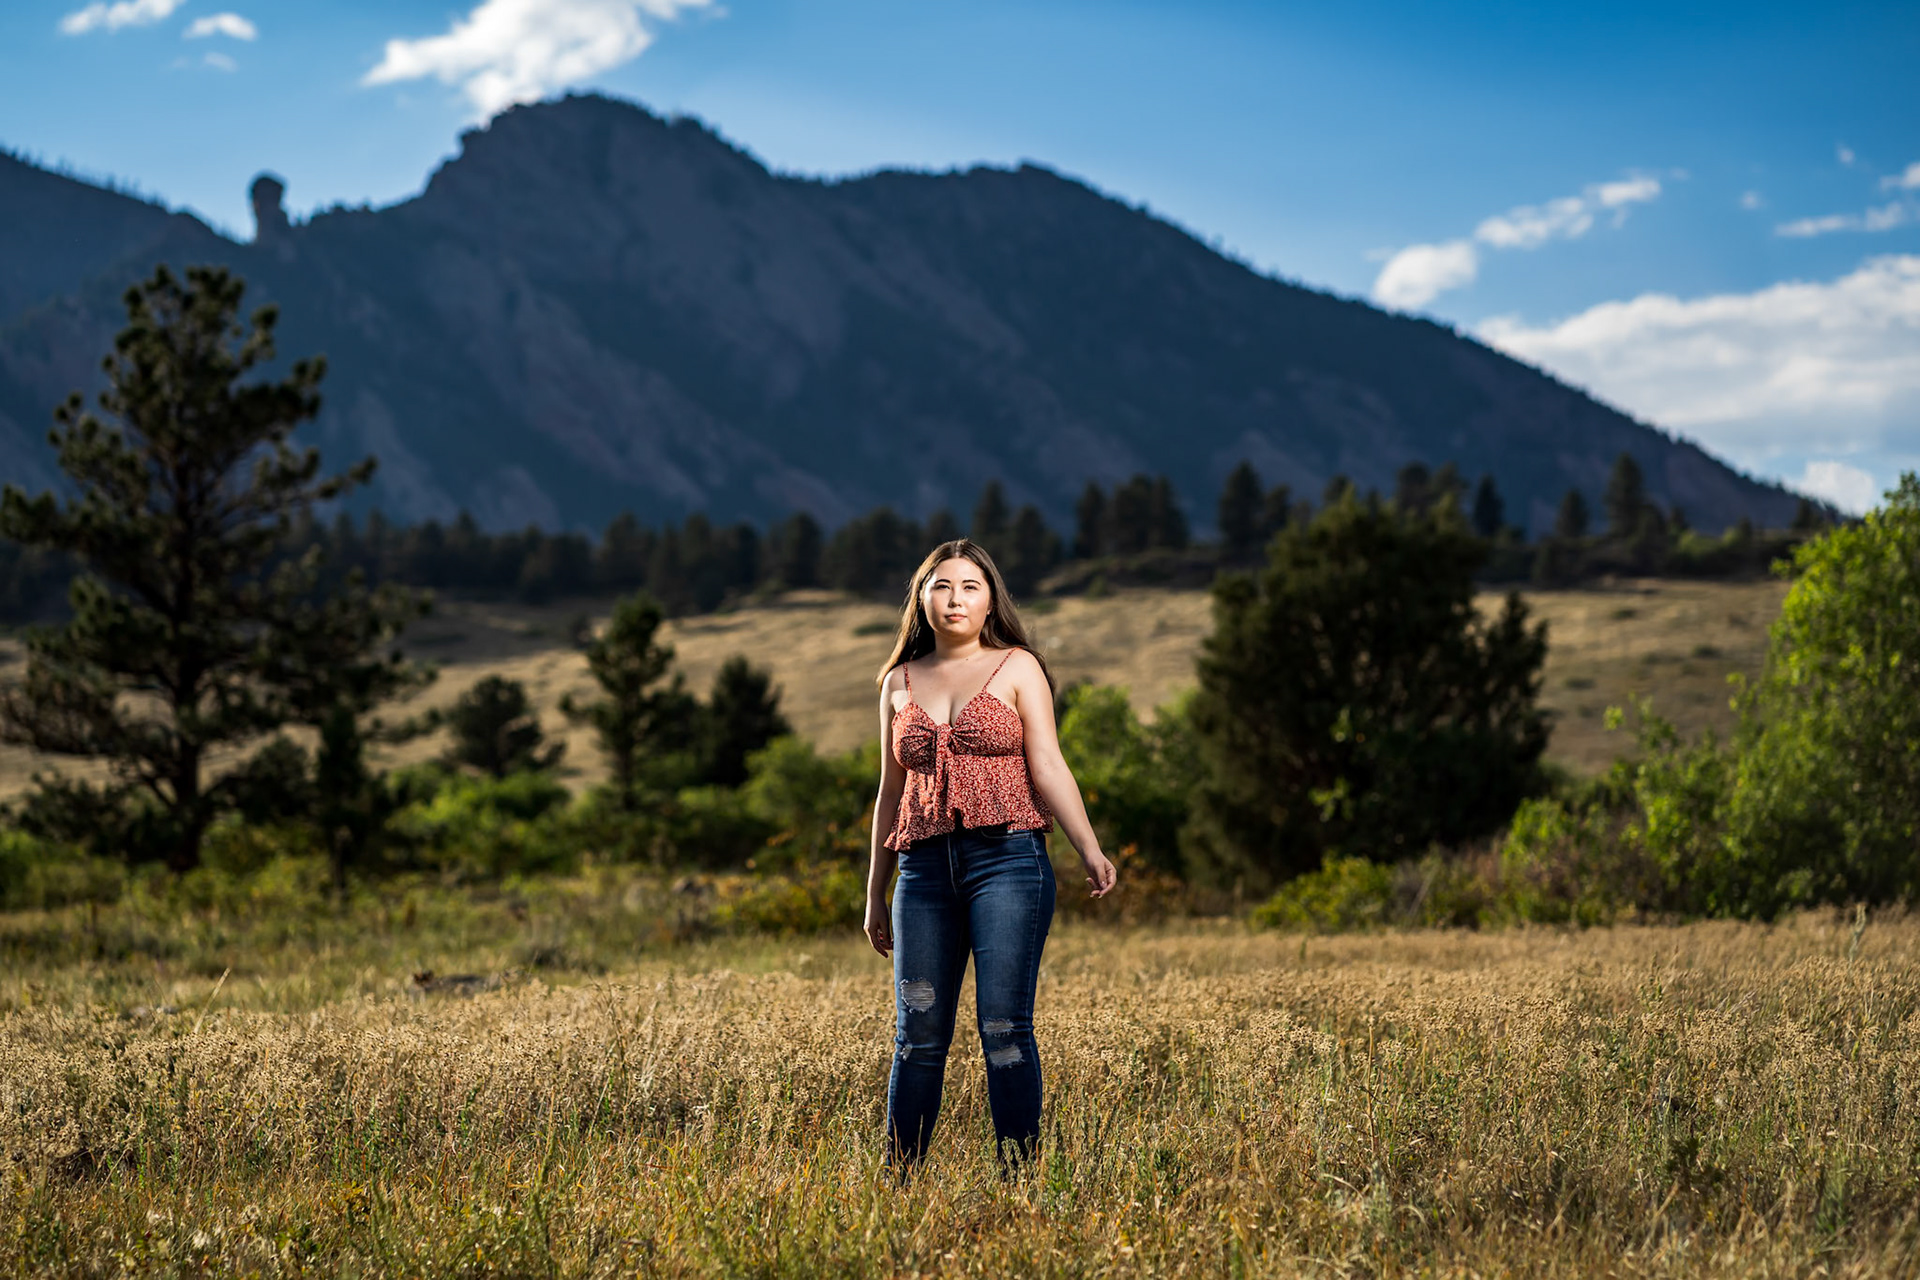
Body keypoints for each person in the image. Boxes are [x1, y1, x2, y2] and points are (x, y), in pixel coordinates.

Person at [864, 537, 1117, 1175]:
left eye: (970, 587)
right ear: (922, 599)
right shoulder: (897, 682)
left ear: (990, 601)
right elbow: (889, 793)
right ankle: (900, 1182)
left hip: (1008, 863)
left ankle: (1019, 1180)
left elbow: (1049, 764)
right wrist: (874, 894)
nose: (955, 599)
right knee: (918, 1036)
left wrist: (1089, 848)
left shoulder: (1018, 667)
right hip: (921, 873)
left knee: (1003, 1028)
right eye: (942, 586)